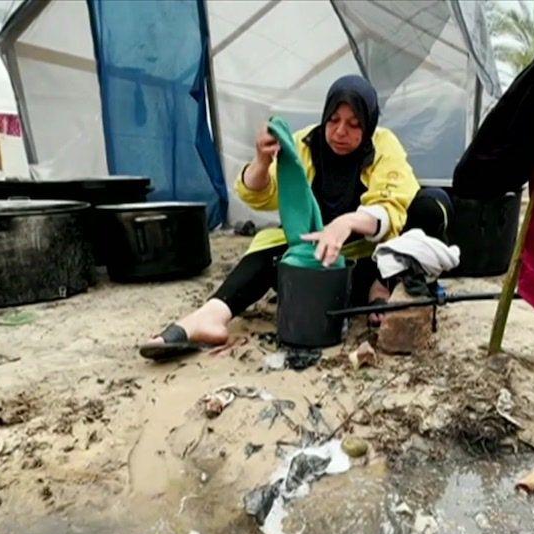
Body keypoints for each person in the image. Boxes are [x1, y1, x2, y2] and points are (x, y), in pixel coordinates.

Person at [140, 75, 452, 360]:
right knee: (272, 252)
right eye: (334, 120)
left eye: (354, 124)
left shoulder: (383, 146)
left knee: (431, 205)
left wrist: (344, 224)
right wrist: (261, 161)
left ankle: (381, 287)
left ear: (369, 125)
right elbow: (260, 194)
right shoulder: (305, 144)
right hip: (314, 263)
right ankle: (211, 316)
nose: (340, 131)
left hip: (367, 258)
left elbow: (391, 206)